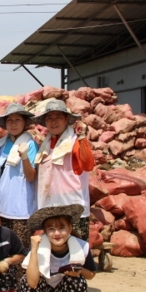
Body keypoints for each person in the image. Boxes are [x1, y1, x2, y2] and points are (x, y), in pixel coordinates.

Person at [18, 204, 97, 292]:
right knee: (24, 281)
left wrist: (79, 271)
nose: (57, 233)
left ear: (70, 228)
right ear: (45, 231)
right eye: (51, 229)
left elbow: (91, 275)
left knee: (78, 282)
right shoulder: (38, 246)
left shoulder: (81, 247)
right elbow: (32, 283)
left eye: (62, 228)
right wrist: (33, 250)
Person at [0, 103, 38, 292]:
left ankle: (22, 287)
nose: (13, 123)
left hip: (23, 208)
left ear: (25, 123)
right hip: (5, 207)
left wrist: (25, 157)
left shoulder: (30, 144)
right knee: (6, 248)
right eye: (10, 120)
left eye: (18, 120)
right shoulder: (2, 144)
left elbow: (31, 176)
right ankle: (8, 285)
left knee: (21, 249)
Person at [31, 99, 95, 241]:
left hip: (73, 209)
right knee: (54, 254)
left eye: (58, 117)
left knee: (76, 255)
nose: (53, 122)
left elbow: (88, 165)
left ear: (66, 119)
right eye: (49, 118)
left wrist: (83, 138)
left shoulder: (74, 142)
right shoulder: (46, 145)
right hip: (50, 209)